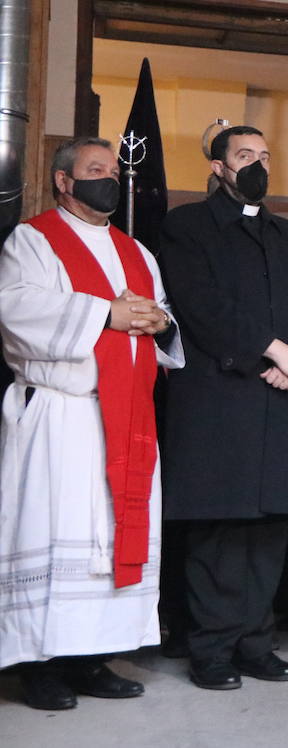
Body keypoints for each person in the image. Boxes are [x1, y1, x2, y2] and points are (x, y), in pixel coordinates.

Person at [0, 138, 183, 710]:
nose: (108, 178)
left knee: (107, 541)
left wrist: (157, 321)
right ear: (64, 181)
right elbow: (16, 309)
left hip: (125, 416)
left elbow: (162, 320)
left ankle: (92, 658)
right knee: (52, 536)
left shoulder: (136, 251)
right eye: (94, 169)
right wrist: (107, 312)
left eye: (112, 170)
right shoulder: (33, 239)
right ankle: (40, 666)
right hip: (61, 417)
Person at [158, 125, 288, 690]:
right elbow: (201, 304)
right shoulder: (187, 226)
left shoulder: (287, 236)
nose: (256, 165)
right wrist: (273, 350)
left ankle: (257, 642)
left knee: (270, 530)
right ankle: (210, 650)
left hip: (284, 401)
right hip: (219, 399)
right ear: (218, 168)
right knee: (219, 531)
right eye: (244, 156)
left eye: (264, 156)